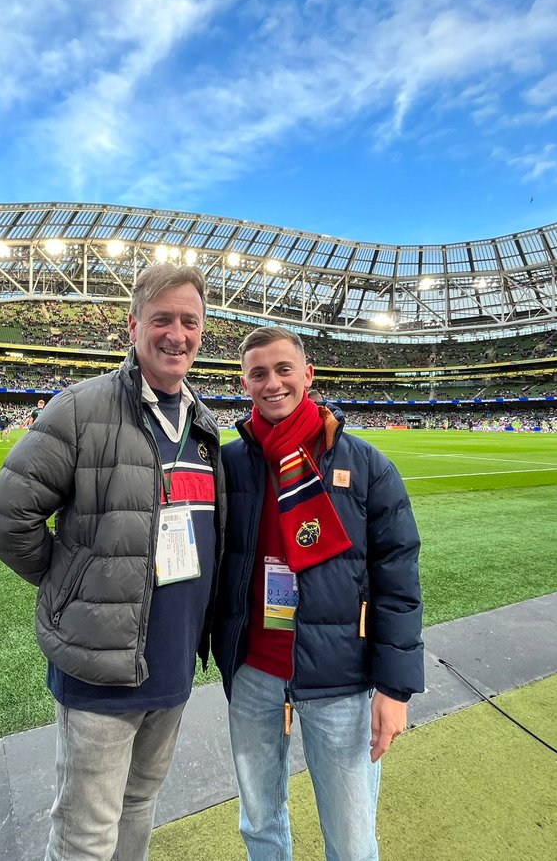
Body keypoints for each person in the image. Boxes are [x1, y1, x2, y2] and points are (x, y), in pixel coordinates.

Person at [0, 265, 225, 861]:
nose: (176, 334)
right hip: (101, 670)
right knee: (85, 833)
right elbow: (6, 522)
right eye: (162, 318)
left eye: (189, 321)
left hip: (172, 666)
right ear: (134, 324)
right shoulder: (79, 408)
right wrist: (74, 587)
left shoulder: (203, 425)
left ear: (202, 332)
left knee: (140, 807)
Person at [214, 326, 423, 861]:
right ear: (245, 383)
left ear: (308, 375)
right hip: (255, 674)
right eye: (259, 373)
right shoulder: (231, 463)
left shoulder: (367, 465)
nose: (272, 382)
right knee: (260, 823)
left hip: (341, 681)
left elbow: (398, 580)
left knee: (352, 841)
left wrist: (394, 688)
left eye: (284, 370)